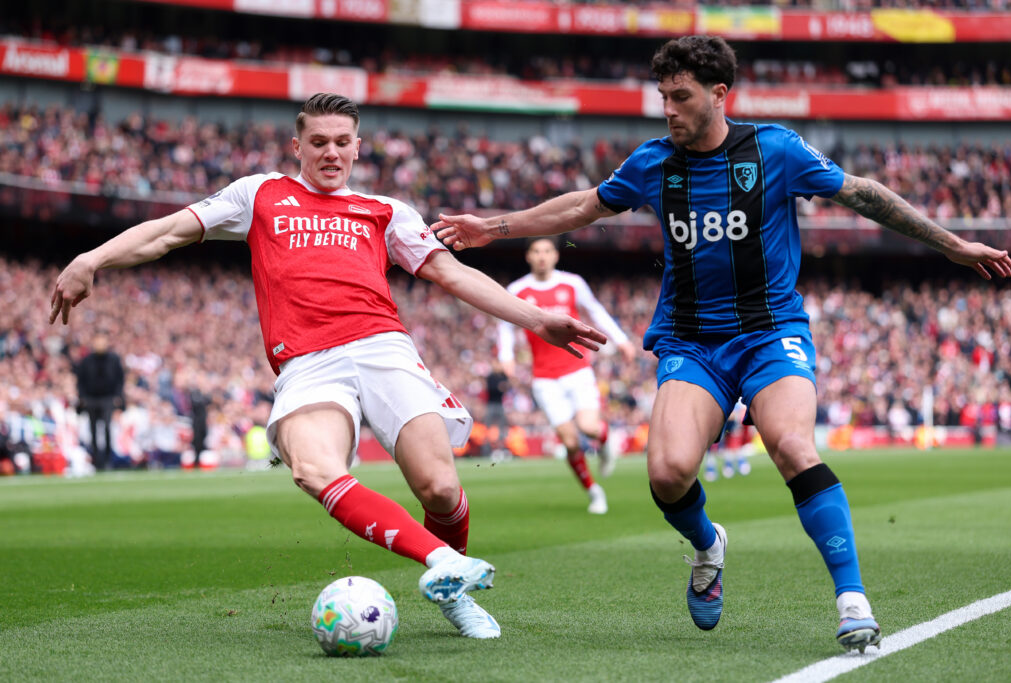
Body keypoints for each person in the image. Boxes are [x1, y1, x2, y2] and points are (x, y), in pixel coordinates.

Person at [433, 36, 1011, 652]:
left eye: (681, 97)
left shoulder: (775, 149)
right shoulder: (653, 162)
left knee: (792, 444)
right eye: (663, 97)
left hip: (770, 333)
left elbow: (864, 194)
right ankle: (709, 545)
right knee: (667, 474)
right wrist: (491, 226)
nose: (669, 110)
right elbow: (582, 206)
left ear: (719, 94)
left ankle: (852, 600)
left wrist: (954, 245)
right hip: (691, 342)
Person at [50, 92, 606, 641]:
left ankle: (450, 586)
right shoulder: (260, 193)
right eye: (318, 142)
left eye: (342, 142)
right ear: (297, 145)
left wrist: (537, 320)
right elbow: (169, 231)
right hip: (308, 363)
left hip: (384, 348)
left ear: (358, 148)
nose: (331, 153)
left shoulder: (386, 211)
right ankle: (444, 562)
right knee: (312, 468)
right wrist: (90, 258)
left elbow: (453, 275)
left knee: (438, 488)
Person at [497, 237, 636, 514]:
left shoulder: (572, 283)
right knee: (570, 442)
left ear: (555, 256)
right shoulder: (517, 289)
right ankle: (594, 492)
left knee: (589, 428)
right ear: (528, 256)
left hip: (577, 369)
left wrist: (620, 340)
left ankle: (606, 442)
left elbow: (595, 310)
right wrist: (506, 356)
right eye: (536, 251)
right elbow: (505, 324)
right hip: (544, 378)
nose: (542, 256)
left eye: (547, 251)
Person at [74, 332, 125, 471]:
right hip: (91, 400)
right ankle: (97, 461)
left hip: (107, 399)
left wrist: (117, 396)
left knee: (108, 428)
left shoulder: (114, 359)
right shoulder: (86, 361)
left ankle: (108, 459)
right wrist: (83, 397)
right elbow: (81, 381)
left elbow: (120, 380)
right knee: (93, 431)